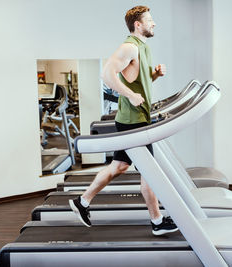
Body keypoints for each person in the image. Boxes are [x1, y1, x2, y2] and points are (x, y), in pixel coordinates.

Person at [69, 5, 178, 236]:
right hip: (133, 121)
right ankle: (157, 221)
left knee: (119, 166)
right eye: (149, 20)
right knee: (150, 171)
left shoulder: (142, 48)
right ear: (138, 25)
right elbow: (106, 74)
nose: (154, 23)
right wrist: (129, 95)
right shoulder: (129, 46)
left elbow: (137, 83)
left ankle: (83, 201)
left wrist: (154, 75)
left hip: (136, 117)